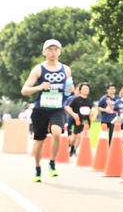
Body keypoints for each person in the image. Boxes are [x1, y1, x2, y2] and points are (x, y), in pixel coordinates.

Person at [21, 39, 73, 182]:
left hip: (58, 108)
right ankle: (38, 168)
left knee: (56, 133)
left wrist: (70, 89)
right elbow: (24, 90)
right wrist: (39, 87)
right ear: (44, 52)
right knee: (39, 141)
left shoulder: (66, 69)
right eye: (50, 49)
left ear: (59, 52)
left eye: (56, 49)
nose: (53, 52)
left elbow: (69, 88)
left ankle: (52, 162)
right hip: (41, 109)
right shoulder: (38, 69)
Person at [66, 82, 97, 158]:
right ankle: (68, 146)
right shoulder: (76, 99)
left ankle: (73, 150)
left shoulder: (89, 100)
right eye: (84, 88)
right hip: (76, 120)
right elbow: (67, 107)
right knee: (74, 136)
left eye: (87, 89)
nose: (86, 90)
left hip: (86, 121)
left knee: (80, 136)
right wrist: (73, 114)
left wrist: (92, 114)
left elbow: (91, 110)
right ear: (80, 90)